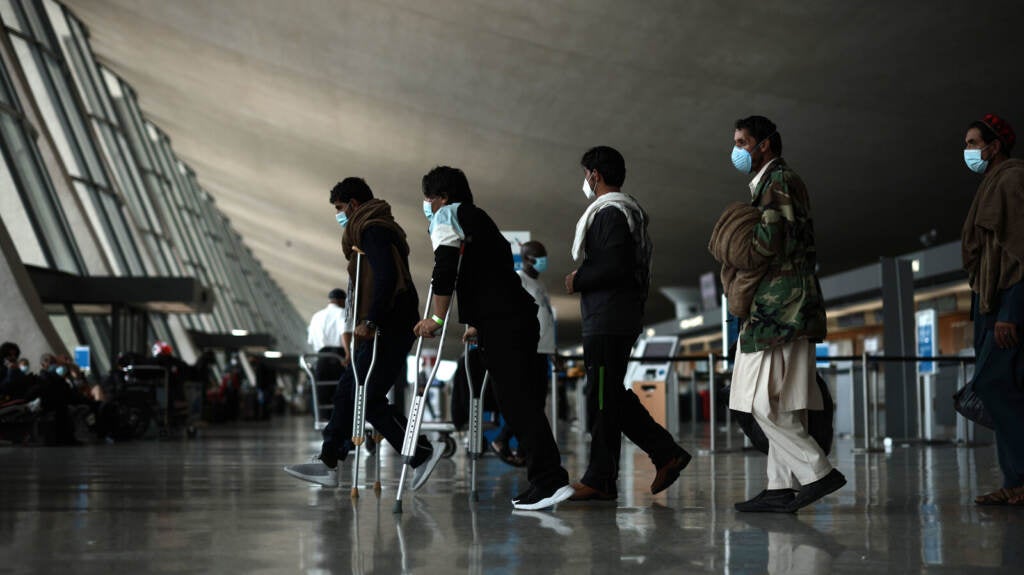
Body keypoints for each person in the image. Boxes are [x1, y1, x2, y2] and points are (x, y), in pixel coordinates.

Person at [414, 166, 572, 510]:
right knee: (520, 401)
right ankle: (546, 478)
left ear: (439, 197)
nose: (426, 205)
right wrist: (478, 322)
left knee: (515, 403)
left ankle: (550, 481)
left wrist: (437, 317)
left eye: (428, 198)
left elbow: (445, 268)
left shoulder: (446, 215)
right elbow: (487, 275)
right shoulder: (477, 217)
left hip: (503, 322)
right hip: (514, 318)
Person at [285, 177, 441, 489]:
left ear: (354, 205)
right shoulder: (376, 228)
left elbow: (385, 278)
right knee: (355, 393)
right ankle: (330, 459)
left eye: (340, 208)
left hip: (388, 326)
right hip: (390, 324)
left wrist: (370, 321)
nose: (339, 215)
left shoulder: (373, 230)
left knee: (361, 394)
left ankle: (417, 451)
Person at [722, 116, 844, 513]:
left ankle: (818, 471)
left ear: (766, 145)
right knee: (787, 402)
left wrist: (731, 246)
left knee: (760, 402)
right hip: (788, 304)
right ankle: (779, 486)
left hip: (780, 308)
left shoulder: (777, 182)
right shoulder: (775, 183)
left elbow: (767, 243)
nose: (738, 149)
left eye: (744, 142)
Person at [565, 146, 691, 502]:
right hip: (615, 317)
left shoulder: (610, 214)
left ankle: (605, 477)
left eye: (585, 174)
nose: (585, 181)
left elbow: (615, 266)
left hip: (607, 318)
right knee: (607, 396)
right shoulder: (624, 211)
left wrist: (580, 278)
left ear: (594, 175)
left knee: (603, 397)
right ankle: (663, 455)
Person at [960, 114, 1024, 506]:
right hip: (990, 303)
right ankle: (1014, 482)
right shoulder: (990, 184)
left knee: (995, 385)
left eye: (972, 143)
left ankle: (1020, 478)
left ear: (994, 145)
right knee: (1004, 388)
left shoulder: (1013, 179)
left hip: (1007, 303)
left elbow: (1021, 250)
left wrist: (1011, 311)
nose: (967, 151)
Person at [490, 241, 557, 467]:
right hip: (526, 349)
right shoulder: (518, 279)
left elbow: (545, 317)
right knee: (527, 402)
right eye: (538, 256)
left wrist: (552, 349)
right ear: (526, 258)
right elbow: (506, 310)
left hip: (542, 350)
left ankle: (521, 449)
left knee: (537, 402)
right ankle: (501, 439)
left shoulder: (539, 282)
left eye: (544, 255)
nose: (542, 260)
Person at [307, 288, 348, 409]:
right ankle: (338, 421)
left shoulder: (316, 316)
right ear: (342, 301)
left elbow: (311, 340)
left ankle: (324, 420)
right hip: (337, 356)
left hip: (321, 357)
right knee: (340, 390)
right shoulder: (342, 312)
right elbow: (344, 332)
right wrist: (348, 353)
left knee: (323, 391)